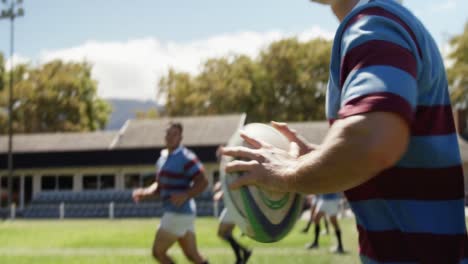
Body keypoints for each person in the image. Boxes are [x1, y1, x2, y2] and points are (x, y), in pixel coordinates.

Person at [222, 0, 468, 263]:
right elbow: (384, 154)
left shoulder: (372, 24)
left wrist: (287, 173)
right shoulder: (376, 23)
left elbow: (374, 142)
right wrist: (317, 157)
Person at [133, 122, 209, 264]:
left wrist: (186, 194)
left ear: (180, 138)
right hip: (182, 214)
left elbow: (203, 182)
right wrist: (144, 192)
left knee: (158, 252)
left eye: (174, 134)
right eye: (168, 133)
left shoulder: (186, 157)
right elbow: (160, 187)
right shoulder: (162, 159)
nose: (170, 137)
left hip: (178, 213)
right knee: (193, 256)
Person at [213, 181, 252, 264]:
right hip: (233, 207)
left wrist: (221, 192)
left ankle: (244, 252)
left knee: (221, 233)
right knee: (227, 235)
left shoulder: (236, 173)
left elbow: (234, 184)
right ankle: (241, 256)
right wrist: (220, 185)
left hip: (234, 208)